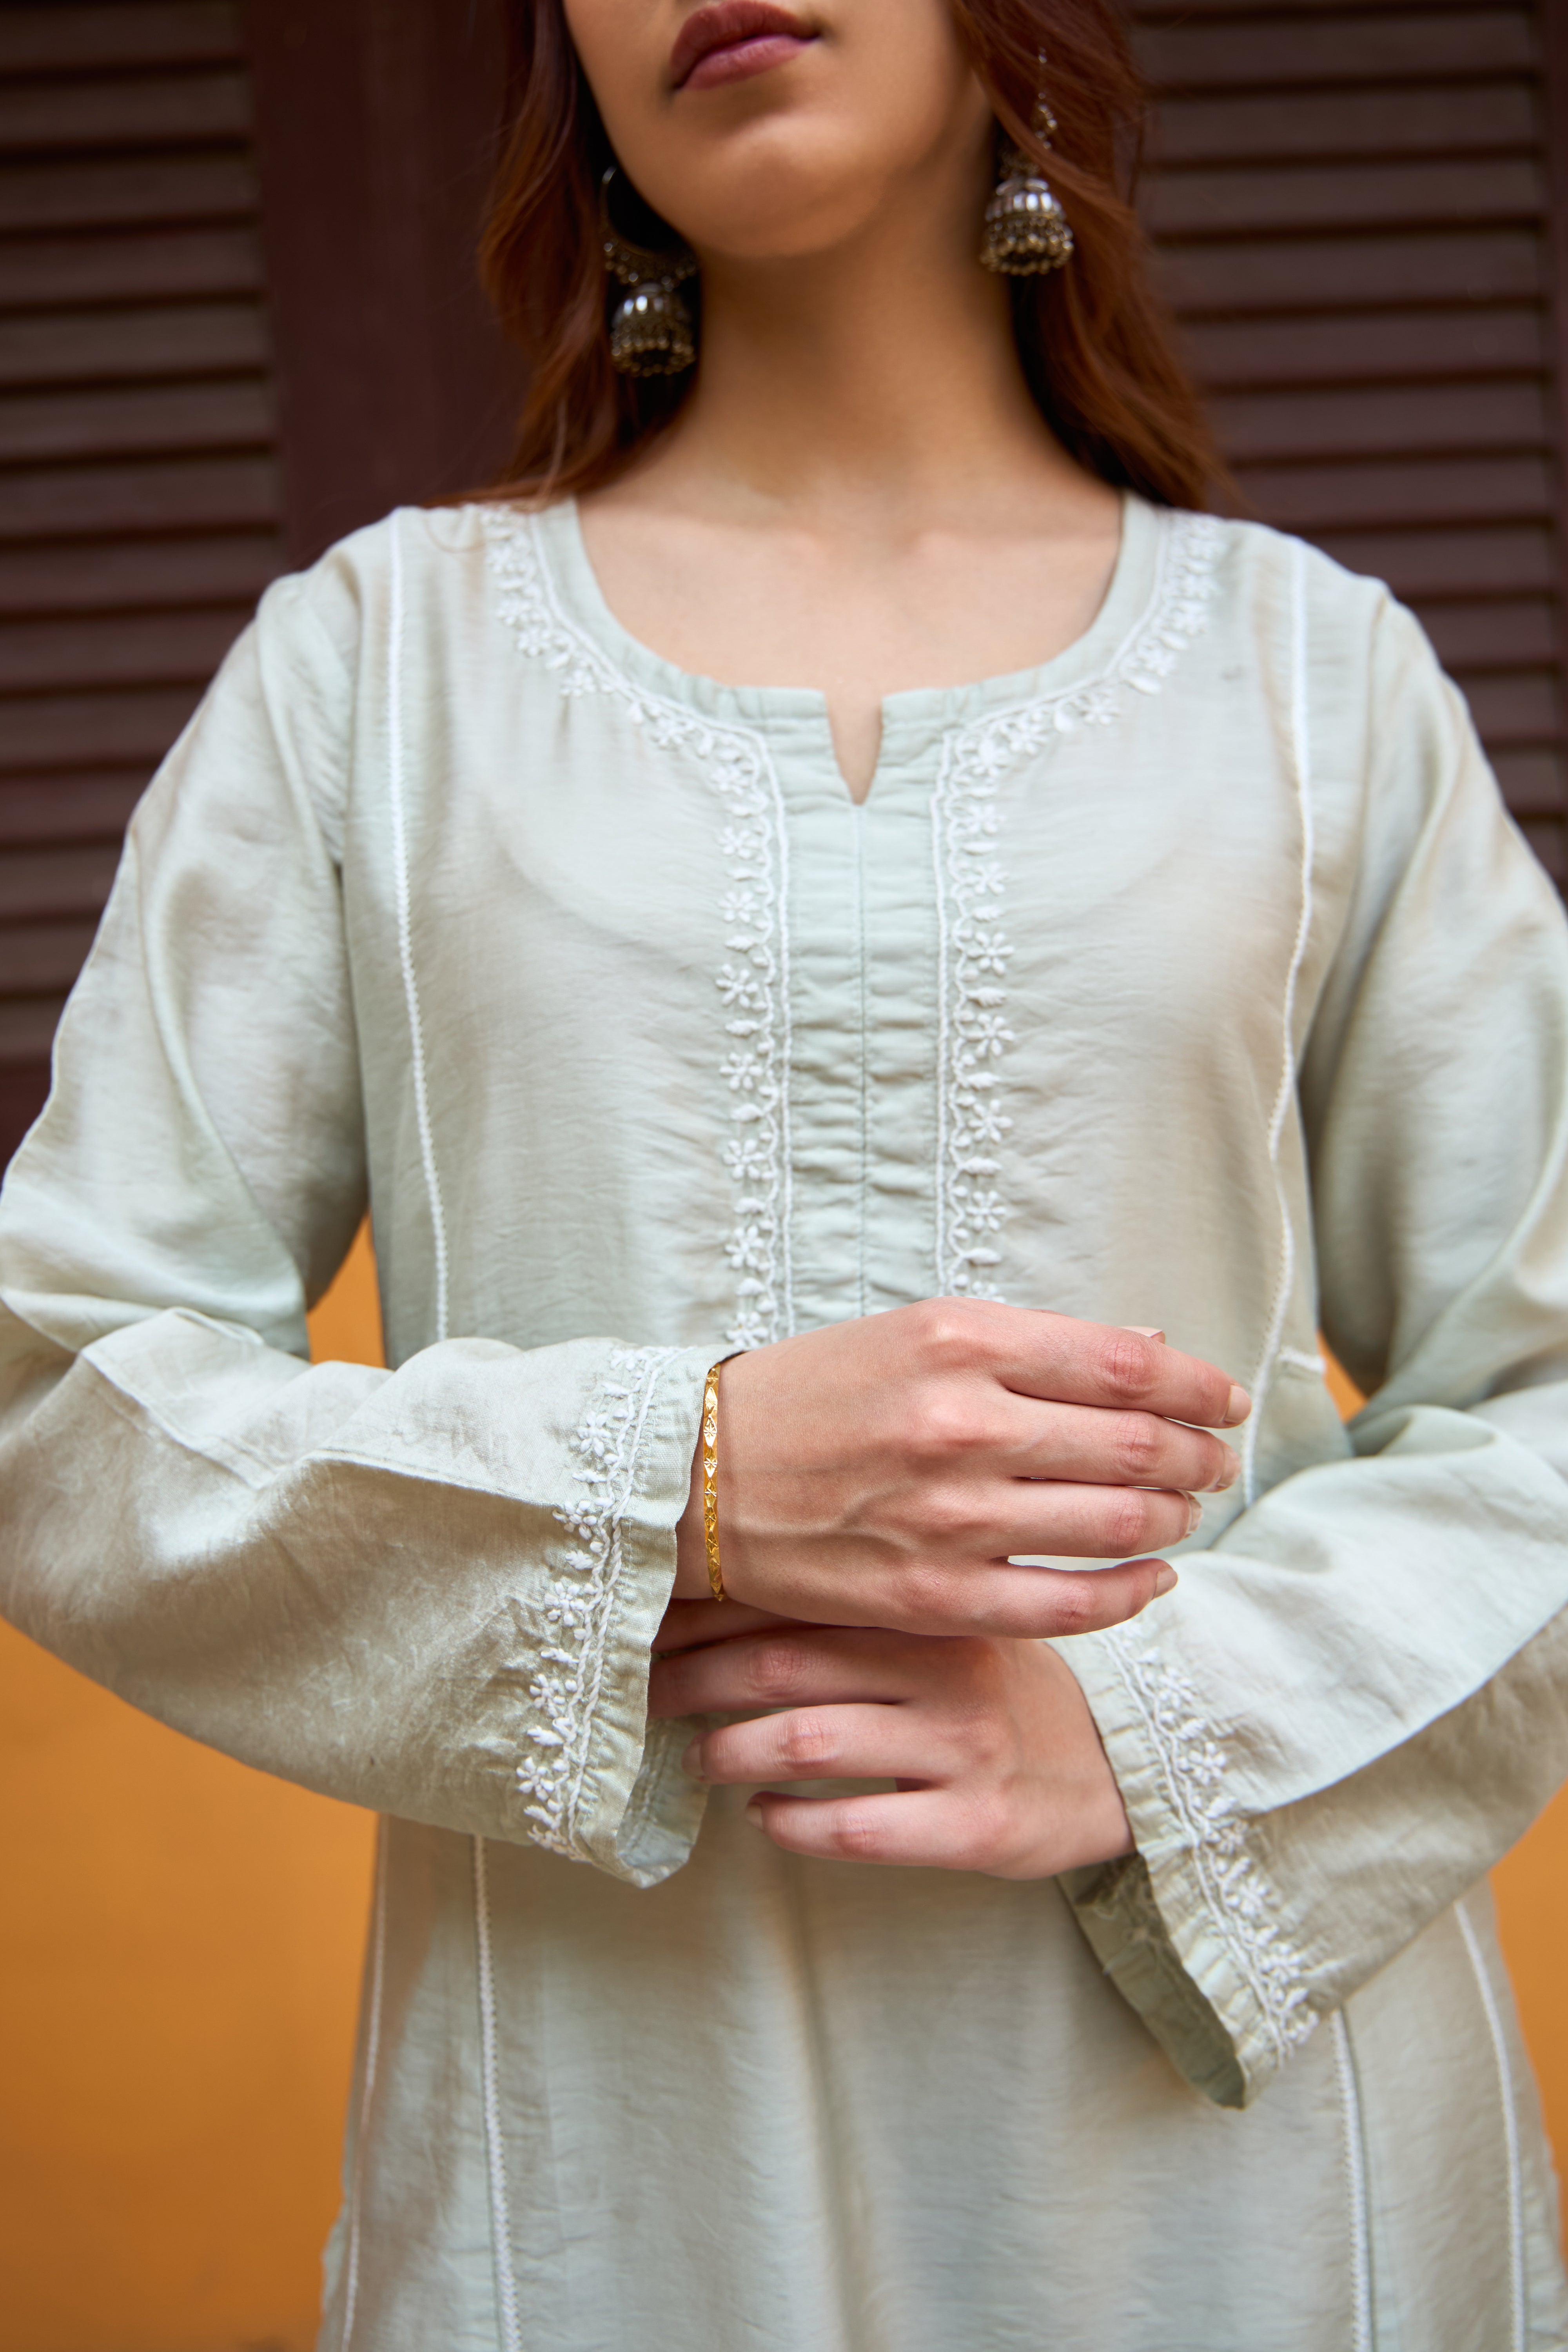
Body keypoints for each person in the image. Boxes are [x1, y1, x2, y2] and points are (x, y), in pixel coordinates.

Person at [2, 0, 1566, 2343]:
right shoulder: (377, 673)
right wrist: (690, 1483)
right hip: (619, 2162)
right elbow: (60, 1399)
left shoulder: (1315, 685)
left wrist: (1146, 1727)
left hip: (1248, 2168)